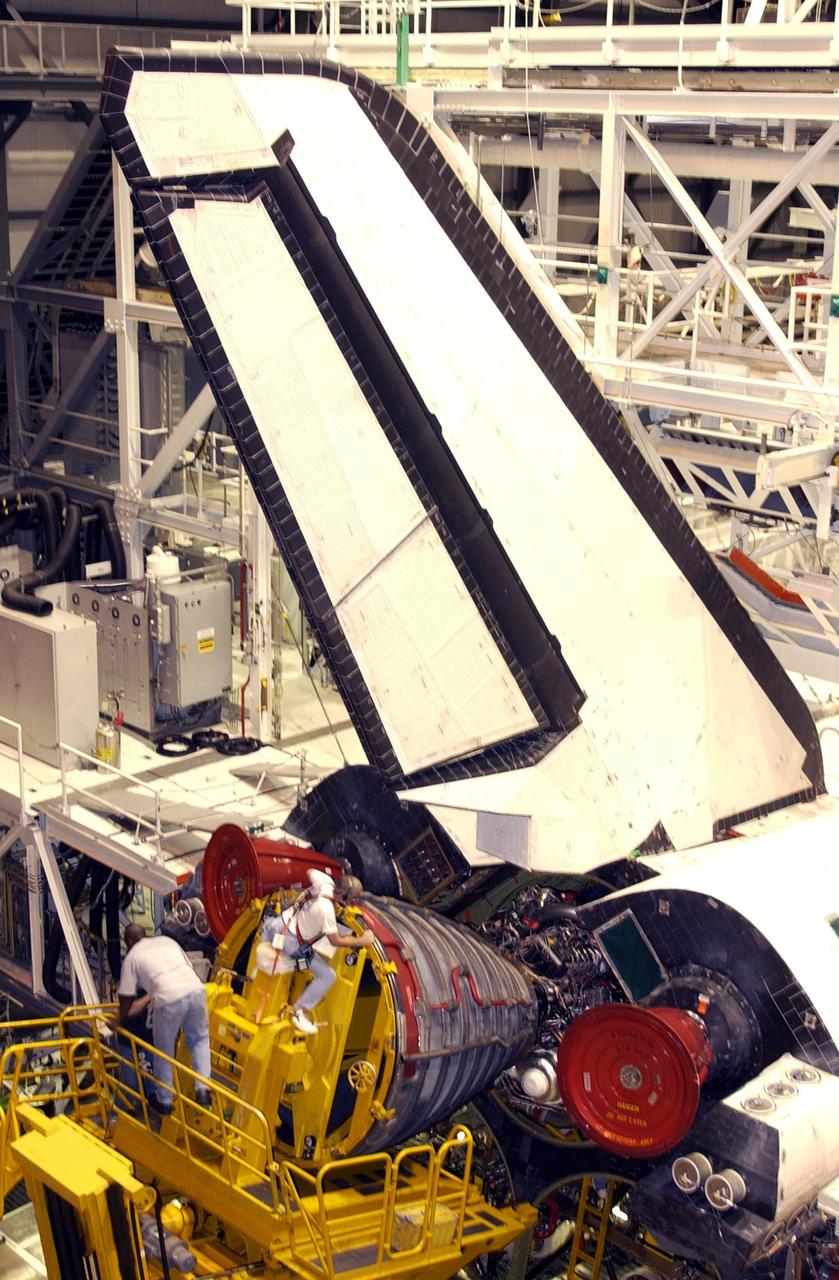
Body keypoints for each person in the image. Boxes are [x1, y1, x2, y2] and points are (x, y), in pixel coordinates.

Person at [262, 870, 375, 1035]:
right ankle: (298, 1011)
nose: (351, 902)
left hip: (278, 925)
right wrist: (362, 940)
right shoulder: (326, 910)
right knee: (328, 975)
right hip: (290, 941)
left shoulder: (324, 881)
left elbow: (309, 872)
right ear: (344, 895)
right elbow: (335, 940)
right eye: (351, 898)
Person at [115, 924, 212, 1115]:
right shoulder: (167, 941)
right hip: (196, 990)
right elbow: (188, 967)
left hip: (168, 1000)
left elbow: (125, 998)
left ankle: (165, 1101)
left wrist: (118, 1020)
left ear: (128, 941)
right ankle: (203, 1089)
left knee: (163, 1051)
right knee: (200, 1040)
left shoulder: (132, 957)